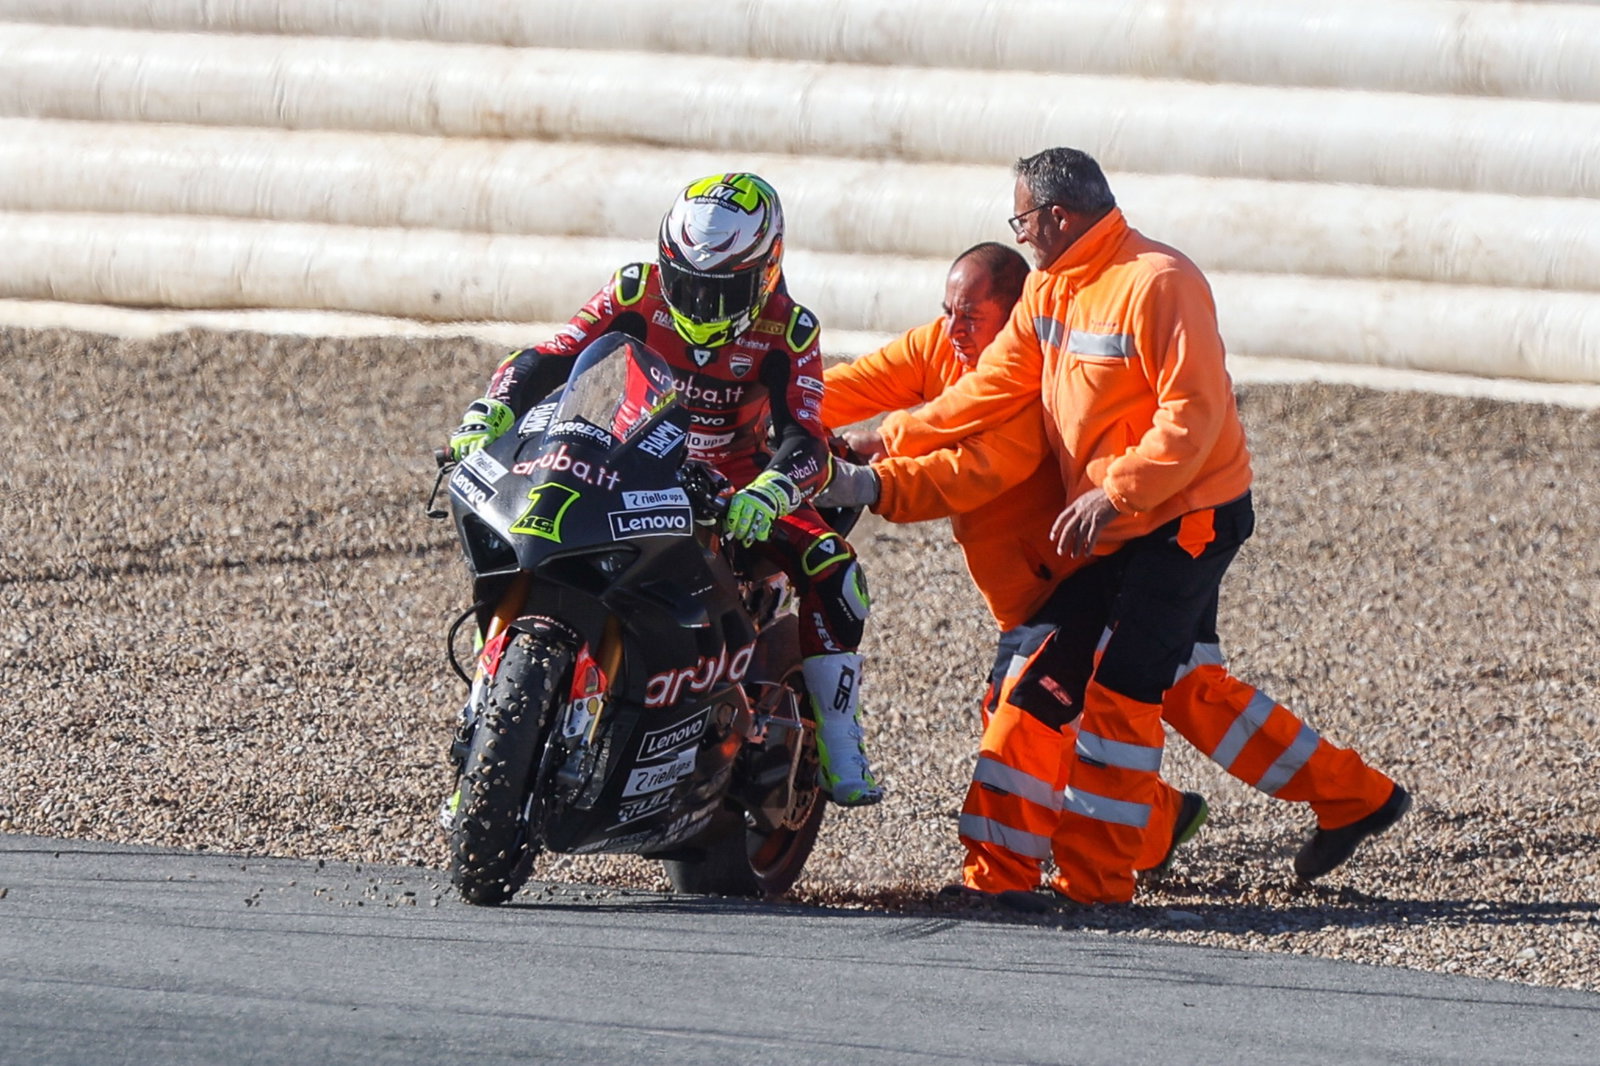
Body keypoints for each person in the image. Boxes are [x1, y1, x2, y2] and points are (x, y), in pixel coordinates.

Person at [823, 150, 1409, 904]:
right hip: (1115, 530)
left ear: (1057, 218)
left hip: (1183, 521)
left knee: (1122, 696)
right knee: (1172, 690)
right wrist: (886, 434)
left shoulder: (1158, 283)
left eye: (1023, 221)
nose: (1022, 236)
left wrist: (1113, 491)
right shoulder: (1050, 291)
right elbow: (987, 386)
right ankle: (1336, 798)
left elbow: (1189, 419)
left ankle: (1100, 879)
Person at [448, 172, 881, 806]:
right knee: (527, 524)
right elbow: (552, 354)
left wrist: (768, 493)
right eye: (686, 285)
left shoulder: (791, 330)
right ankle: (484, 725)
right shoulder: (634, 289)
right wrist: (493, 409)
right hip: (630, 449)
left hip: (736, 478)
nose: (700, 306)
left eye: (721, 291)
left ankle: (842, 743)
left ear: (764, 273)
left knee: (837, 572)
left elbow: (806, 440)